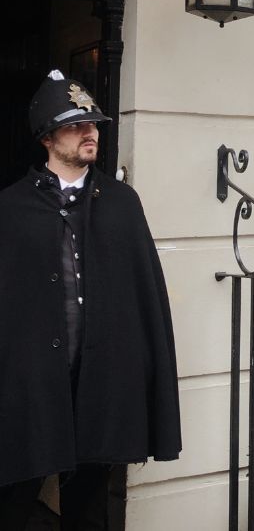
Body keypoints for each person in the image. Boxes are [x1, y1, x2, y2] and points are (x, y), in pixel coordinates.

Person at [0, 71, 182, 530]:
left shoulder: (121, 202)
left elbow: (144, 300)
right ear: (46, 137)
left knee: (89, 508)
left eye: (94, 124)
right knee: (13, 499)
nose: (90, 133)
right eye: (75, 125)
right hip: (31, 387)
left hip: (100, 385)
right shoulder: (11, 209)